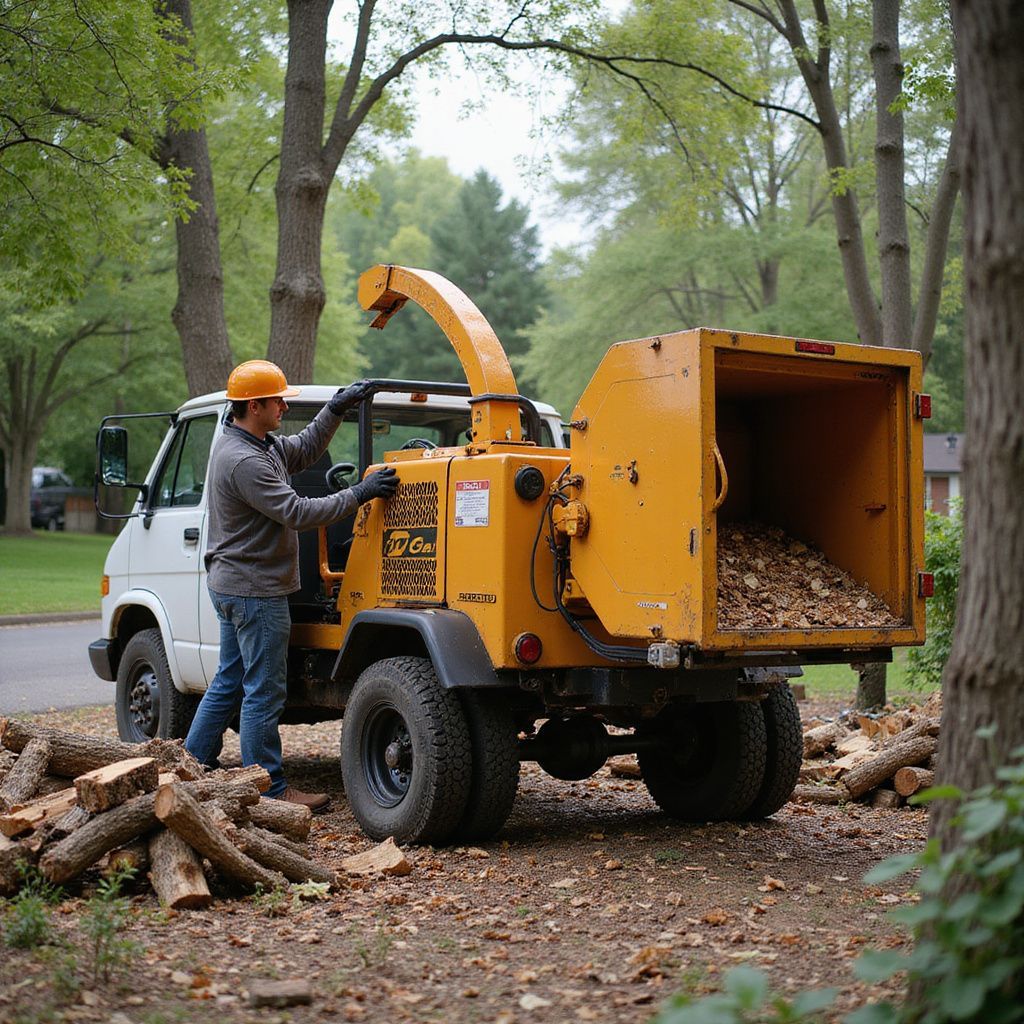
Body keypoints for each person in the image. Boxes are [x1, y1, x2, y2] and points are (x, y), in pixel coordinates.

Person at [185, 359, 398, 810]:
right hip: (254, 591)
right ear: (253, 405)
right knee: (264, 689)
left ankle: (192, 763)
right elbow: (299, 513)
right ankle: (270, 789)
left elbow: (301, 448)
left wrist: (335, 410)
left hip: (235, 584)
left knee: (231, 679)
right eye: (277, 400)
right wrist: (362, 492)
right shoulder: (243, 460)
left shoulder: (257, 444)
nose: (284, 405)